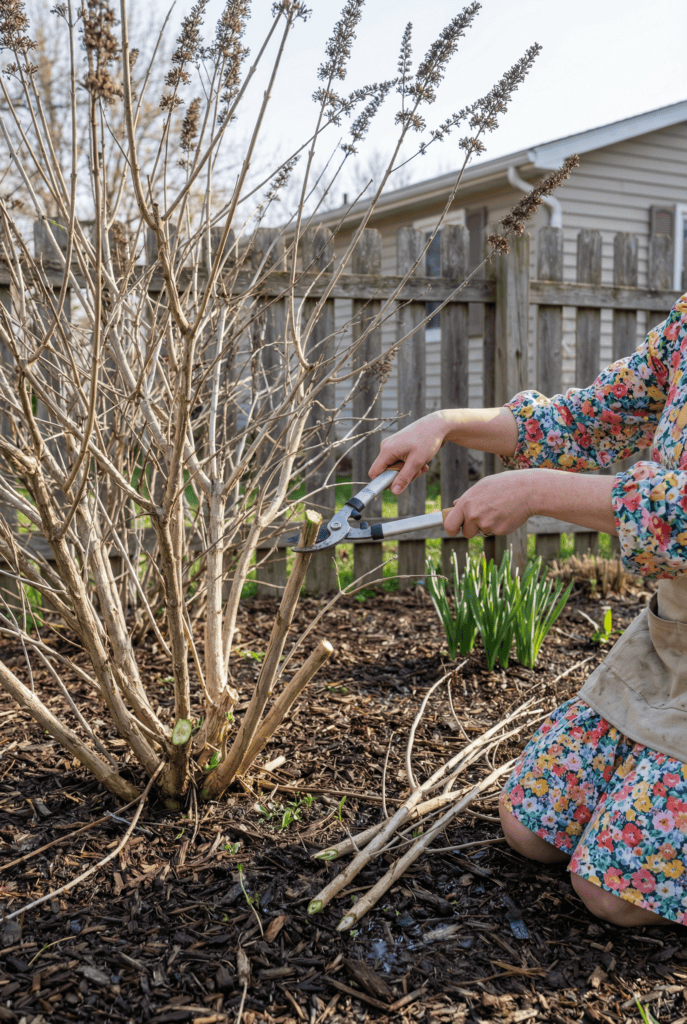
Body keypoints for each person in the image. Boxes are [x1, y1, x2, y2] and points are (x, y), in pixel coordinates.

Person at [368, 293, 687, 927]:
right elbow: (590, 418)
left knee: (612, 895)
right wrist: (447, 422)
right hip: (675, 627)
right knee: (530, 825)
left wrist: (537, 491)